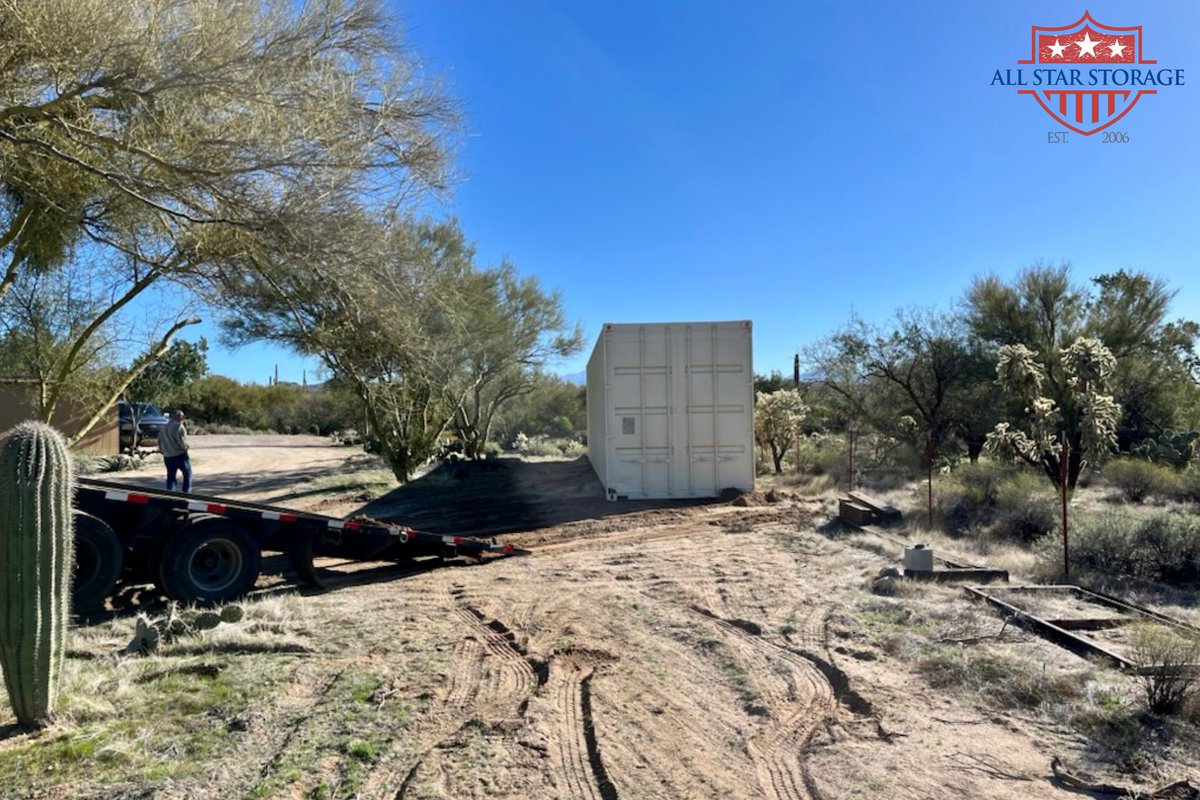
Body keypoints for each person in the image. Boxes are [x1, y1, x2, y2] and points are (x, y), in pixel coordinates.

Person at [160, 409, 192, 493]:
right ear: (176, 417)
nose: (182, 418)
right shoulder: (179, 427)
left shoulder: (163, 427)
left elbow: (159, 441)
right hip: (180, 455)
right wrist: (186, 447)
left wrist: (163, 451)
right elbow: (182, 442)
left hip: (168, 456)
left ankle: (170, 495)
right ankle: (186, 494)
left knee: (171, 477)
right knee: (187, 474)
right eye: (181, 416)